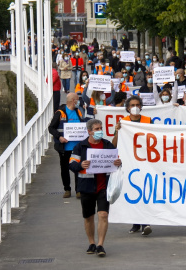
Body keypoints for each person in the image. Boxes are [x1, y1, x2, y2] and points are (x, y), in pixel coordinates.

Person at [69, 119, 122, 257]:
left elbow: (117, 161)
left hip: (104, 187)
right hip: (86, 187)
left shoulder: (107, 145)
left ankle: (100, 245)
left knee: (103, 215)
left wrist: (118, 162)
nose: (100, 131)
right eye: (97, 129)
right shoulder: (80, 147)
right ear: (89, 131)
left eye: (101, 128)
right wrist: (81, 165)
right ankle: (92, 242)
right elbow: (72, 165)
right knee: (88, 217)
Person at [113, 96, 154, 236]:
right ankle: (136, 223)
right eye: (132, 105)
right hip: (129, 162)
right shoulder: (123, 123)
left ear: (141, 106)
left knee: (145, 191)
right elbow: (114, 144)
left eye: (137, 104)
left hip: (145, 161)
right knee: (132, 192)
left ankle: (146, 222)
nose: (135, 107)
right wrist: (118, 131)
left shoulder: (149, 121)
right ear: (128, 108)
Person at [48, 93, 84, 198]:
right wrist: (59, 137)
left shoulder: (78, 112)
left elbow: (83, 124)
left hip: (77, 147)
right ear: (73, 100)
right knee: (65, 168)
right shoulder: (60, 113)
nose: (79, 102)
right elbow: (51, 128)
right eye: (77, 100)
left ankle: (79, 190)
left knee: (78, 168)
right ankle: (67, 189)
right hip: (64, 147)